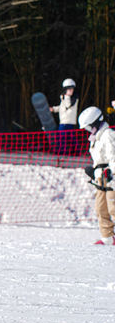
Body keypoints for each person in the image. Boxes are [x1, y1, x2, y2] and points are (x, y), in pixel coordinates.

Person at [78, 105, 115, 245]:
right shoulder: (95, 139)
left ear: (95, 122)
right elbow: (99, 159)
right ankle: (108, 237)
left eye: (89, 126)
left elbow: (113, 157)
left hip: (111, 177)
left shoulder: (108, 135)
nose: (88, 130)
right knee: (101, 207)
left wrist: (112, 171)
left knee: (113, 207)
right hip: (100, 177)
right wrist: (94, 171)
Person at [50, 78, 79, 153]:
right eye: (69, 89)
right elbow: (62, 107)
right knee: (66, 137)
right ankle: (68, 151)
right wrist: (53, 109)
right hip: (64, 121)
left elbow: (68, 105)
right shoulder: (65, 98)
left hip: (68, 121)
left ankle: (67, 151)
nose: (71, 91)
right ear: (65, 89)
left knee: (64, 137)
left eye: (72, 89)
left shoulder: (73, 99)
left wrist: (66, 96)